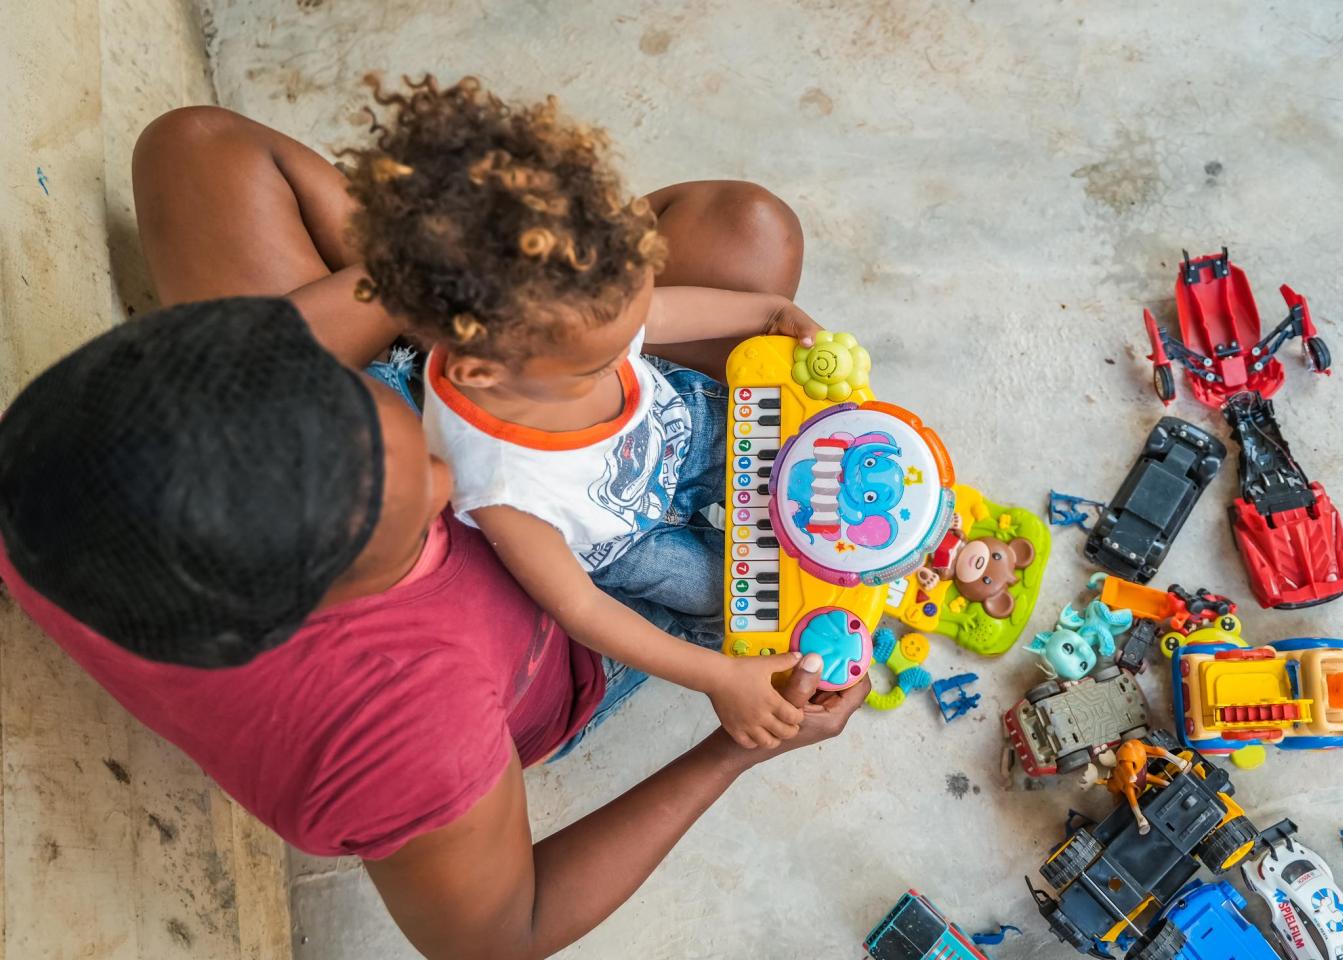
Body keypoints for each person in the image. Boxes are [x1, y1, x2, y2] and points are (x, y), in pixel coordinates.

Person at [0, 103, 867, 960]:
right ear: (324, 604)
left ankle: (530, 346)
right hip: (585, 614)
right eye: (426, 506)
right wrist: (730, 748)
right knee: (786, 581)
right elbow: (499, 934)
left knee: (741, 233)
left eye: (363, 399)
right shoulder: (402, 731)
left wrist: (478, 293)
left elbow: (229, 231)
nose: (454, 480)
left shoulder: (77, 452)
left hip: (438, 413)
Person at [340, 75, 815, 750]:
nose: (627, 352)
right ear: (482, 372)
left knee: (797, 450)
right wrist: (717, 676)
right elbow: (580, 606)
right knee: (729, 601)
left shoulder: (574, 310)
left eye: (629, 328)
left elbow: (663, 314)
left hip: (680, 424)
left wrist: (768, 313)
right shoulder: (498, 480)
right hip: (629, 548)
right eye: (597, 365)